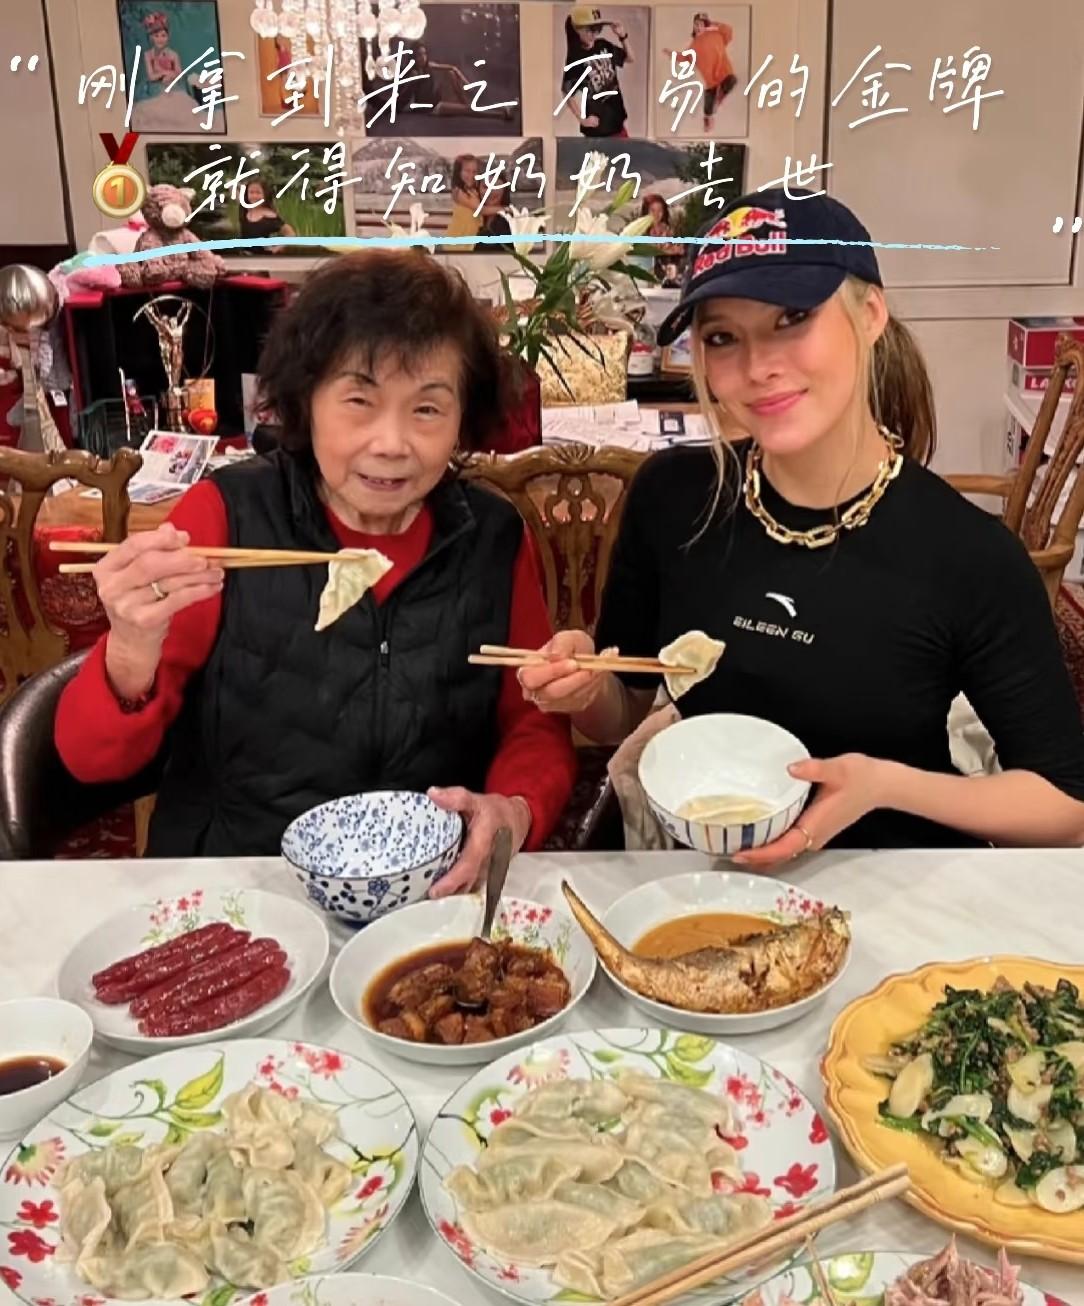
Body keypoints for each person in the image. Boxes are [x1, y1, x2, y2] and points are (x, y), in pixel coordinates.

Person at [519, 188, 1084, 861]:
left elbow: (1066, 806)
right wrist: (585, 690)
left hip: (888, 876)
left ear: (870, 315)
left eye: (792, 318)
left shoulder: (967, 554)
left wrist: (886, 785)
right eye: (722, 337)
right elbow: (627, 708)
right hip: (711, 868)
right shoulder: (672, 498)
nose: (758, 367)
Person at [55, 251, 577, 887]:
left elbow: (533, 722)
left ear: (463, 419)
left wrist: (517, 806)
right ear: (306, 401)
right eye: (359, 400)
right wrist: (130, 650)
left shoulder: (492, 536)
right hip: (245, 883)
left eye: (427, 409)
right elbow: (91, 762)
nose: (391, 443)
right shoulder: (225, 517)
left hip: (427, 887)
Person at [561, 6, 633, 138]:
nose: (594, 34)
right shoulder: (576, 58)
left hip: (617, 120)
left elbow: (630, 58)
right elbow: (567, 92)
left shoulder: (603, 45)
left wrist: (623, 37)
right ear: (577, 29)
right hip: (598, 129)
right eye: (590, 30)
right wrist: (582, 119)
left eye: (598, 29)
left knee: (627, 150)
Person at [238, 181, 296, 254]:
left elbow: (291, 234)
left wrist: (277, 248)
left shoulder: (270, 216)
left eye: (258, 192)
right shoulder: (246, 210)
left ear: (265, 194)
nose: (254, 196)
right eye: (251, 192)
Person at [446, 155, 483, 242]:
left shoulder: (473, 191)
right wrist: (502, 209)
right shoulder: (458, 192)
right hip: (460, 236)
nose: (471, 175)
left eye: (474, 171)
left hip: (471, 235)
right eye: (467, 171)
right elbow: (480, 209)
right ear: (458, 172)